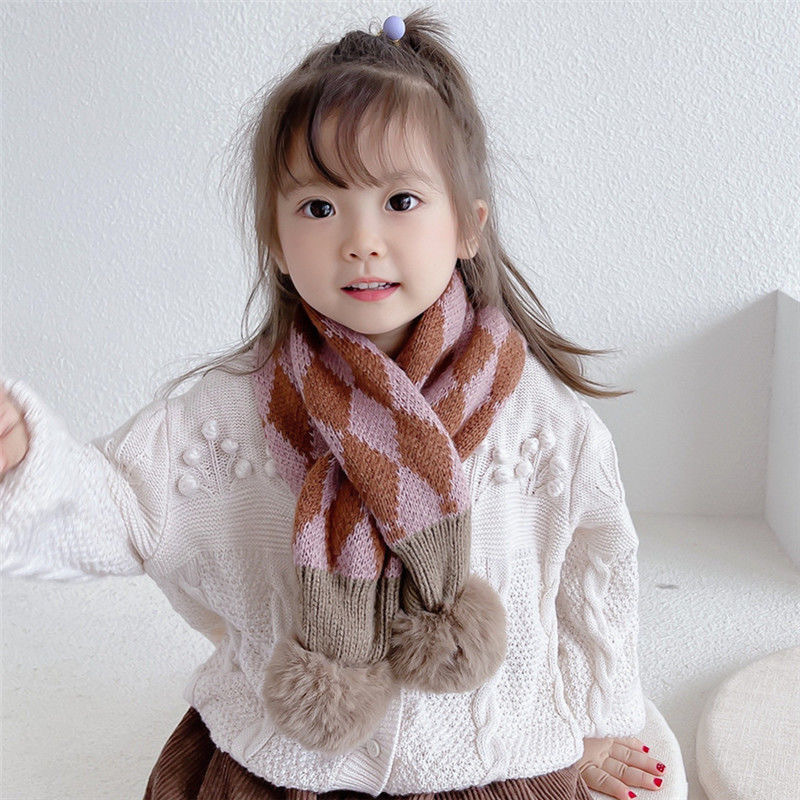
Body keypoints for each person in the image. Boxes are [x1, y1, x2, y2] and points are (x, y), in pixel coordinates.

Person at [0, 8, 670, 800]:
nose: (361, 239)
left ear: (468, 226)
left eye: (401, 201)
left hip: (486, 763)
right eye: (319, 207)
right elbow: (116, 510)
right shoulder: (226, 415)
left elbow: (596, 564)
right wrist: (27, 461)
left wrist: (594, 721)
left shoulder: (538, 422)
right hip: (284, 765)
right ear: (277, 243)